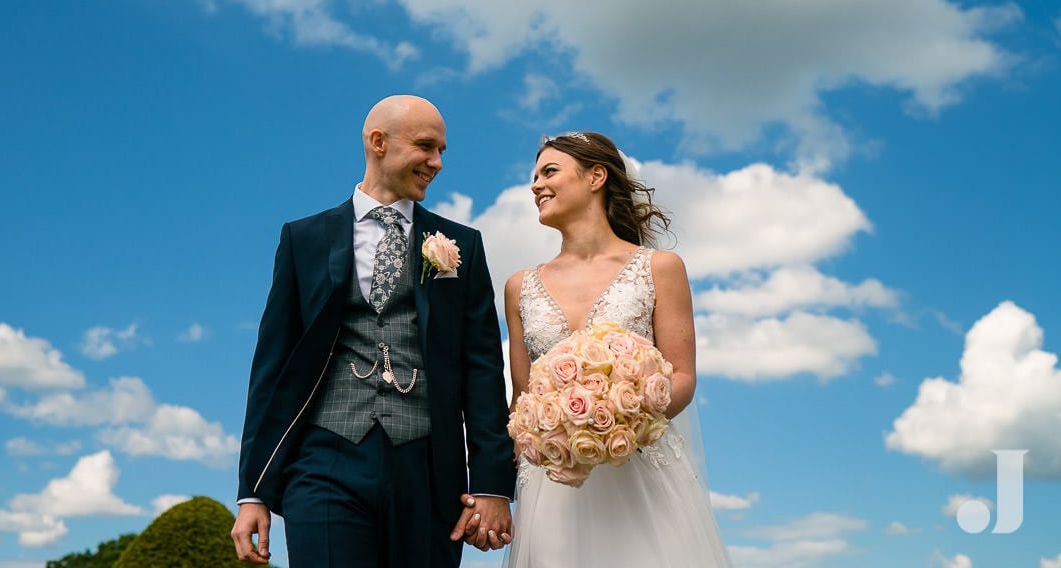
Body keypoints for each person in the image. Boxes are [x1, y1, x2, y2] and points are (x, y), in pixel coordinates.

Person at [231, 95, 516, 567]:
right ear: (378, 142)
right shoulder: (303, 239)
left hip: (428, 468)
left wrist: (490, 484)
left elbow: (482, 368)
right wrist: (252, 492)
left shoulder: (462, 245)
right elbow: (272, 367)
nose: (437, 162)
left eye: (442, 150)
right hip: (323, 460)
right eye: (426, 146)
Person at [503, 131, 731, 567]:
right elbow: (522, 397)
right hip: (554, 486)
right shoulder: (518, 286)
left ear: (596, 177)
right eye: (533, 177)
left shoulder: (659, 268)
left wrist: (620, 423)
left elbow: (681, 376)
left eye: (549, 172)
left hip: (642, 470)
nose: (535, 185)